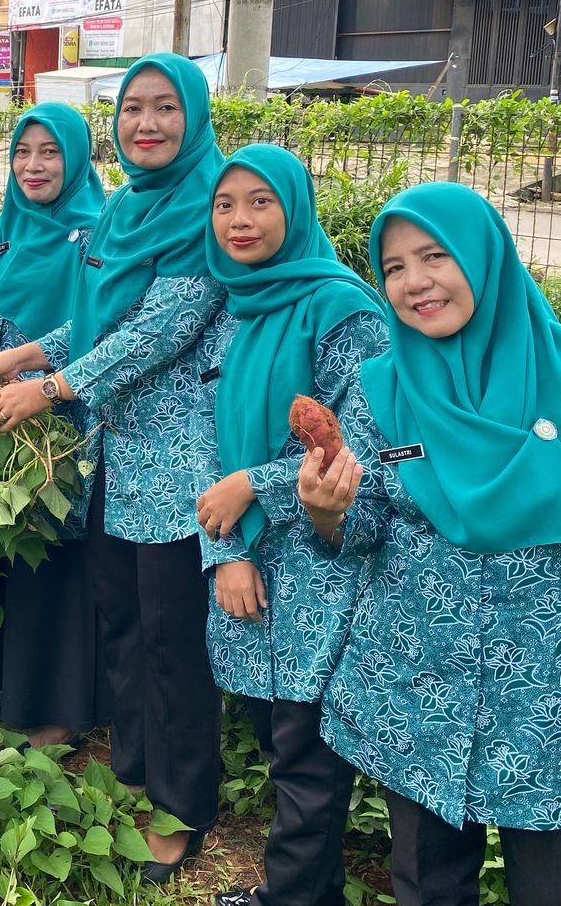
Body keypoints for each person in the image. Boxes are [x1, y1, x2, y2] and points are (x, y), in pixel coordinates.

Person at [305, 182, 561, 906]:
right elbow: (364, 528)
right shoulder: (381, 387)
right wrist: (327, 513)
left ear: (485, 257)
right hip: (416, 689)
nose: (414, 282)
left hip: (557, 696)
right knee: (426, 882)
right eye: (392, 267)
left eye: (435, 256)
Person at [0, 53, 235, 882]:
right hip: (117, 450)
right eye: (132, 109)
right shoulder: (124, 210)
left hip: (185, 462)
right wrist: (13, 355)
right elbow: (94, 322)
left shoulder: (205, 208)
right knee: (120, 617)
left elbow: (162, 331)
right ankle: (133, 768)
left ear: (193, 118)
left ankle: (183, 803)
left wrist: (49, 388)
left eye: (164, 109)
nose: (146, 124)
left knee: (170, 639)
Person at [192, 144, 388, 906]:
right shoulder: (234, 302)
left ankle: (293, 897)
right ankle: (310, 892)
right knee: (284, 740)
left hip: (322, 558)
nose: (240, 220)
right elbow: (204, 441)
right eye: (225, 204)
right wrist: (227, 547)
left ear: (295, 207)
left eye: (261, 201)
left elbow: (361, 451)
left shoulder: (343, 309)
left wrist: (253, 485)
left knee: (307, 750)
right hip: (250, 557)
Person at [0, 103, 106, 749]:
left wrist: (22, 364)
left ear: (76, 157)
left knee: (52, 555)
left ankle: (57, 711)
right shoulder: (5, 228)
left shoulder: (97, 233)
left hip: (62, 416)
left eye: (50, 152)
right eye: (22, 152)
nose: (34, 166)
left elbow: (99, 324)